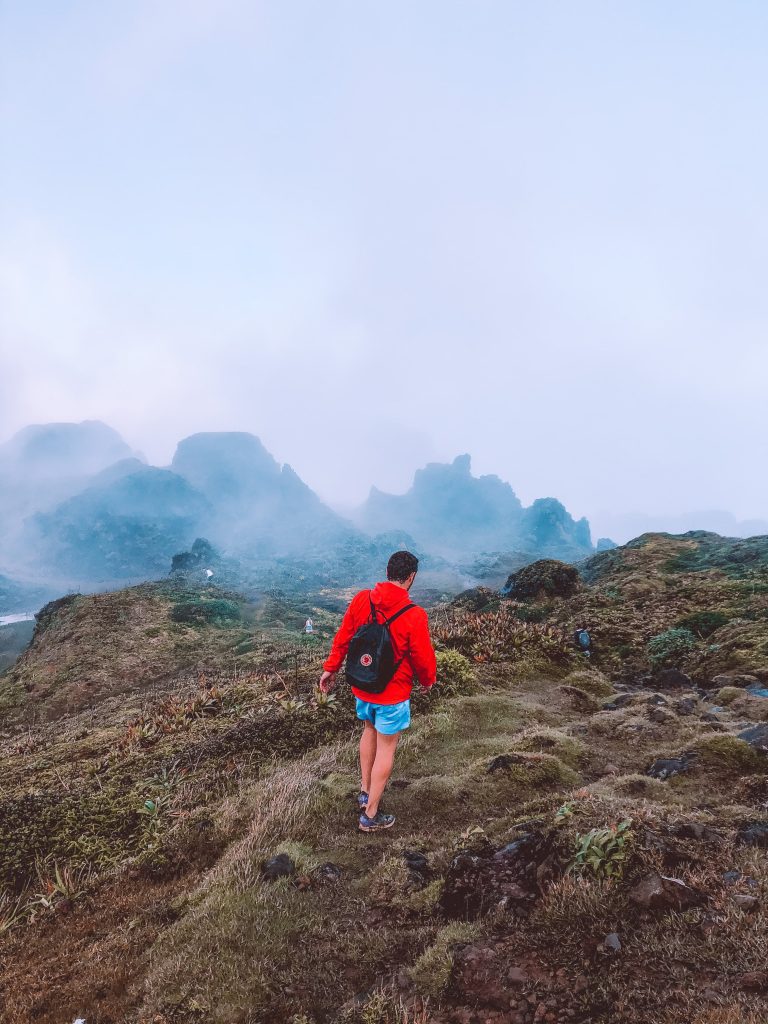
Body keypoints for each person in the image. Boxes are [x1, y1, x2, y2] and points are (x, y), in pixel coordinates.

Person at [319, 550, 437, 833]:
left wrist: (330, 668)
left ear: (387, 572)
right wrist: (427, 680)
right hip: (392, 694)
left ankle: (365, 791)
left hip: (363, 685)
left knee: (368, 729)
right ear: (411, 577)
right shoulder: (414, 615)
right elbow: (422, 657)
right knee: (387, 747)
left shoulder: (362, 599)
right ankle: (370, 815)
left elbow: (344, 637)